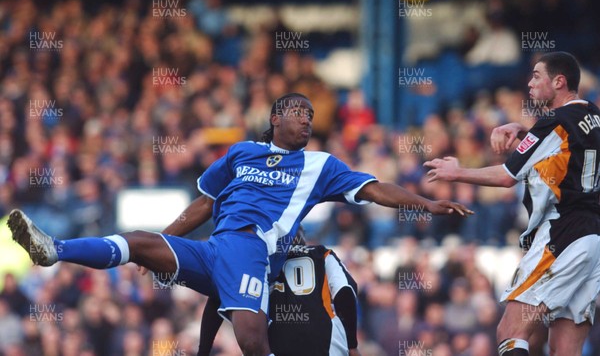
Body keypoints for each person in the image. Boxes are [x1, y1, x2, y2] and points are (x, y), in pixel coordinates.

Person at [8, 92, 471, 356]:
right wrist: (169, 240)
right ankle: (56, 250)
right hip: (215, 247)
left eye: (311, 115)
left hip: (253, 248)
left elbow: (374, 188)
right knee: (140, 240)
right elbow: (203, 204)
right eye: (298, 113)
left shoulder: (319, 165)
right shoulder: (240, 153)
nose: (307, 120)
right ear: (275, 118)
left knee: (251, 339)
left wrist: (423, 204)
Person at [424, 52, 600, 356]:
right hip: (593, 240)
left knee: (510, 330)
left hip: (562, 234)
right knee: (564, 349)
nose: (529, 83)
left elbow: (507, 176)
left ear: (559, 82)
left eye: (536, 76)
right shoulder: (592, 116)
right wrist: (525, 133)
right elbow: (565, 157)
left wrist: (457, 172)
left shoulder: (554, 121)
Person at [197, 227, 361, 356]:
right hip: (325, 343)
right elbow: (345, 291)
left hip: (271, 345)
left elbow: (216, 301)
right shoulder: (322, 254)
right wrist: (352, 345)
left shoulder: (249, 262)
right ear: (301, 237)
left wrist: (203, 352)